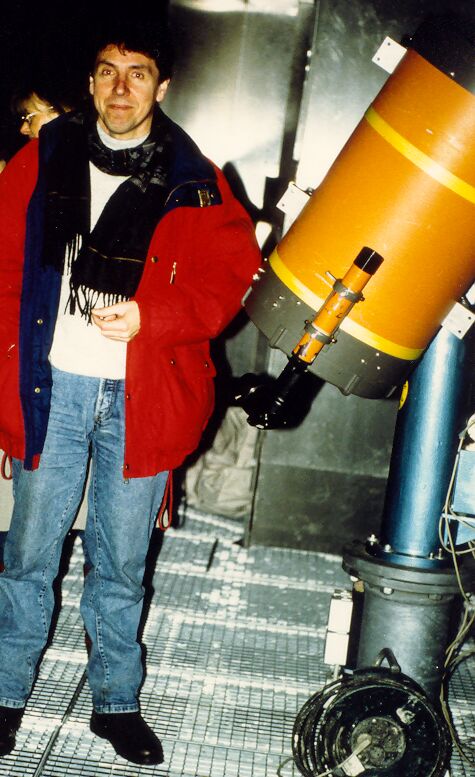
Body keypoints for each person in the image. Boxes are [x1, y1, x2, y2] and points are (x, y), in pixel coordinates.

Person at [0, 22, 261, 765]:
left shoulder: (196, 177)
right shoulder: (42, 157)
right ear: (90, 83)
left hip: (144, 394)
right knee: (27, 557)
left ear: (162, 86)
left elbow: (229, 280)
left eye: (138, 73)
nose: (121, 88)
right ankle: (5, 695)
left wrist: (155, 316)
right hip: (53, 386)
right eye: (108, 72)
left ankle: (115, 703)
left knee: (120, 564)